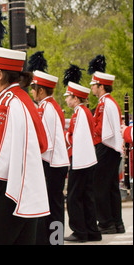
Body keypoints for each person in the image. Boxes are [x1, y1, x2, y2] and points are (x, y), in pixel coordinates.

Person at [0, 45, 50, 245]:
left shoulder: (6, 105)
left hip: (2, 190)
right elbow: (42, 143)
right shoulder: (23, 100)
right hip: (18, 189)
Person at [28, 51, 70, 245]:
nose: (31, 92)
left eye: (33, 89)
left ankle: (55, 241)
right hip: (54, 161)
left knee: (53, 206)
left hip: (51, 163)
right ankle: (55, 240)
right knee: (54, 205)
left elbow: (45, 142)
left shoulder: (47, 108)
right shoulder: (50, 106)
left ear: (41, 91)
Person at [62, 64, 101, 242]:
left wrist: (65, 137)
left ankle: (80, 231)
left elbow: (76, 138)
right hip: (87, 161)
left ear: (76, 98)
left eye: (68, 97)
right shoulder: (83, 111)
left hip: (80, 161)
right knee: (86, 196)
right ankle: (92, 230)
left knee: (74, 198)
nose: (67, 100)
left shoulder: (80, 112)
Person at [88, 56, 125, 234]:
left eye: (94, 85)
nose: (92, 88)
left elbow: (101, 129)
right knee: (111, 188)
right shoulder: (110, 102)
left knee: (100, 186)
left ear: (101, 86)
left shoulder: (104, 103)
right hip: (112, 149)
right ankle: (117, 222)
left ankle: (105, 222)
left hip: (105, 147)